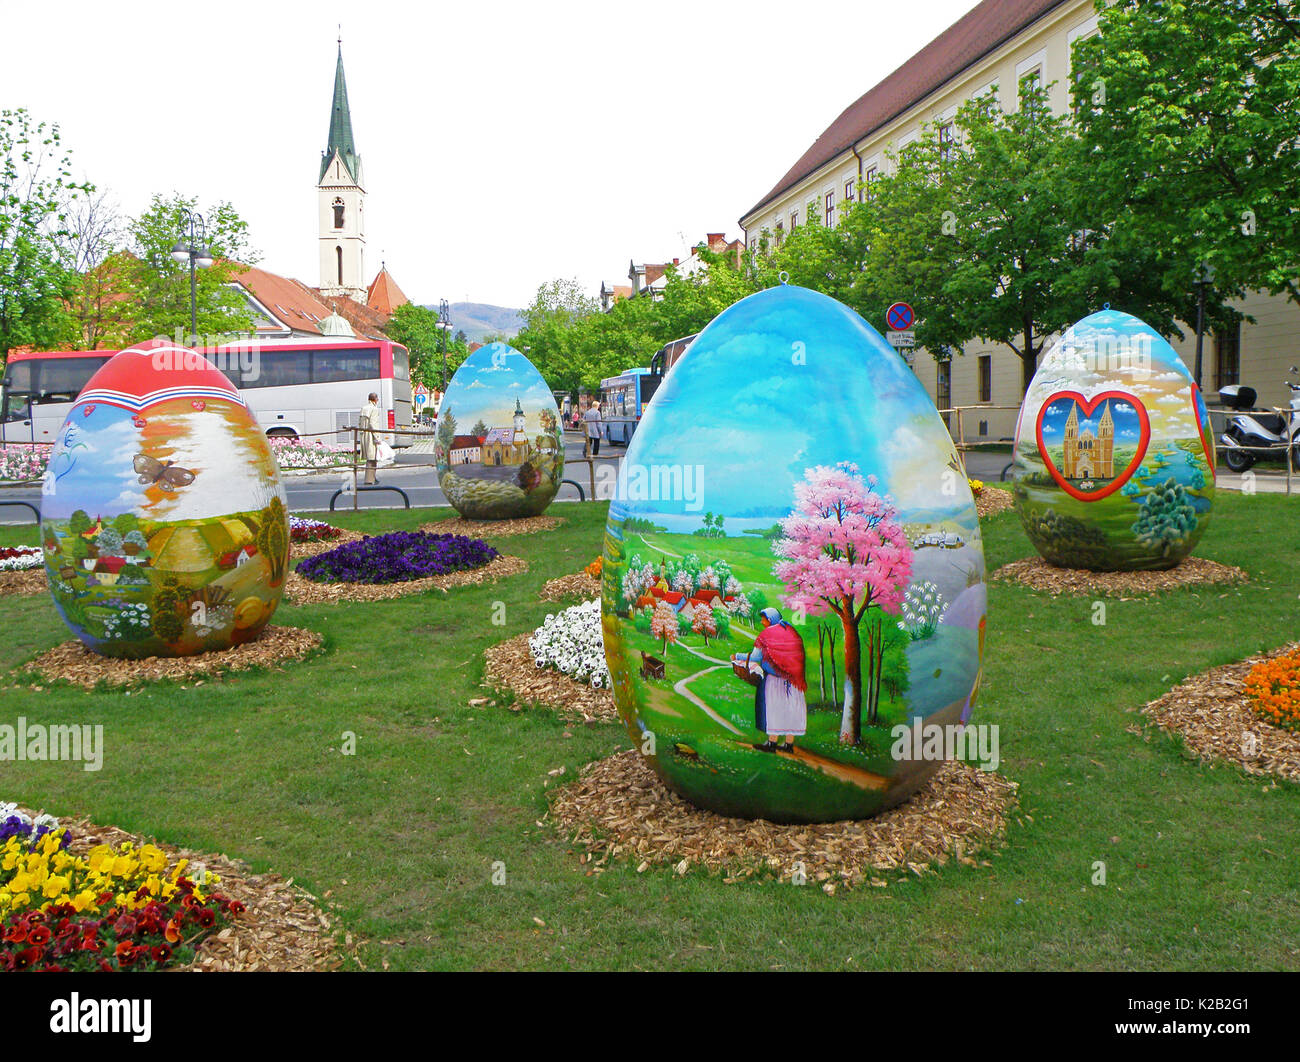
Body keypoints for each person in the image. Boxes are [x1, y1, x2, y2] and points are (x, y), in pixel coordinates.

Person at [733, 607, 808, 752]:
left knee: (775, 709)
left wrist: (737, 656)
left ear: (770, 619)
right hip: (794, 680)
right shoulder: (791, 632)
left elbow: (755, 657)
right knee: (791, 709)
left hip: (775, 679)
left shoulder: (768, 634)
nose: (762, 622)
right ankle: (789, 744)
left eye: (764, 619)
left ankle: (772, 743)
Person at [359, 392, 381, 485]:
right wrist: (377, 437)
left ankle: (371, 478)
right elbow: (373, 424)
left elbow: (360, 422)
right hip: (371, 435)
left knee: (369, 457)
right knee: (372, 457)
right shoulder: (374, 409)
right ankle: (370, 479)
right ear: (375, 400)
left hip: (364, 434)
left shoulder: (363, 408)